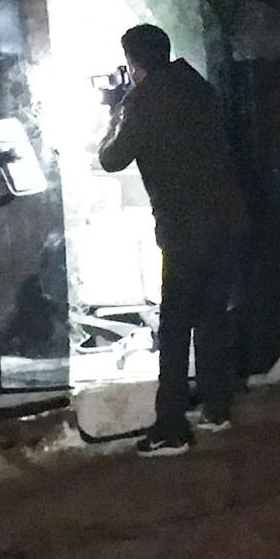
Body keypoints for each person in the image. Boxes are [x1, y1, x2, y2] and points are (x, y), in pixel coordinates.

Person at [98, 23, 249, 457]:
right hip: (226, 221)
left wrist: (117, 109)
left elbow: (111, 159)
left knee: (176, 325)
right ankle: (217, 409)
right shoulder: (196, 87)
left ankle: (171, 427)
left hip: (186, 231)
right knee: (211, 318)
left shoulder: (144, 103)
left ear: (134, 63)